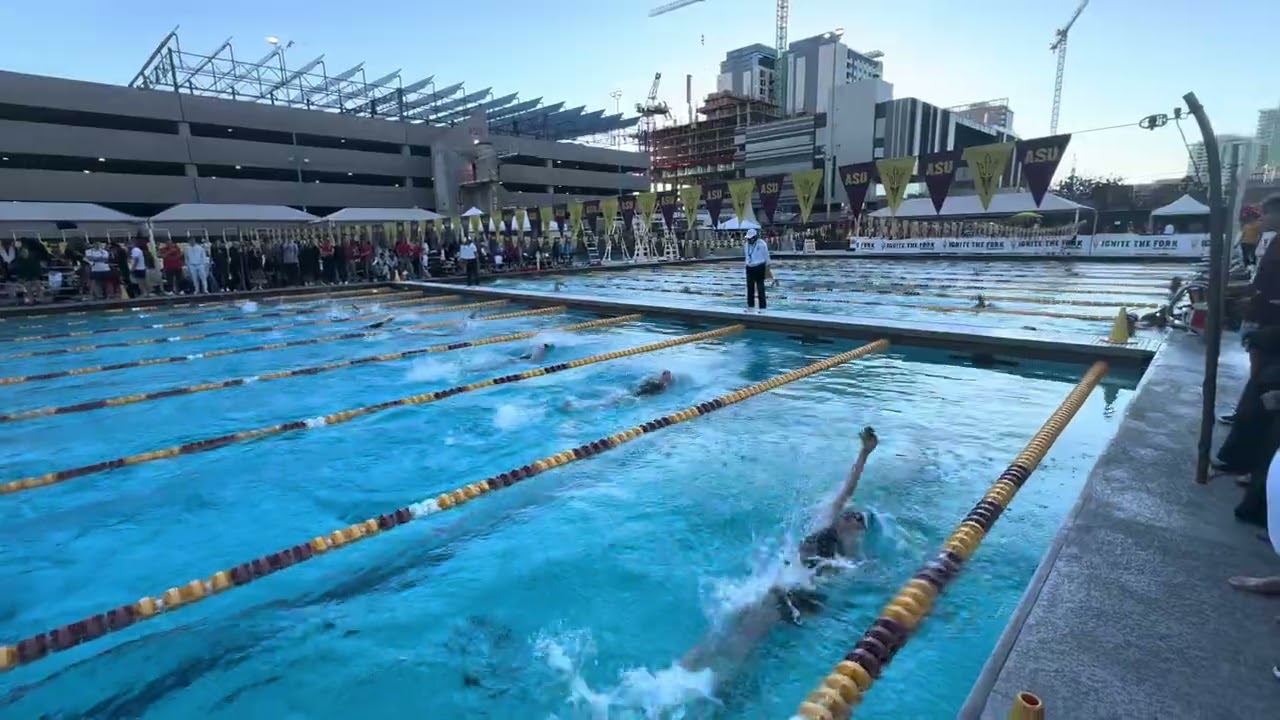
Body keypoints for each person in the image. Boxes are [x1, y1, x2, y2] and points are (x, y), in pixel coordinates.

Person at [679, 427, 878, 681]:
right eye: (851, 513)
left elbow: (846, 585)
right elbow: (847, 492)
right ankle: (676, 677)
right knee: (725, 627)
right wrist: (864, 454)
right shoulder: (824, 526)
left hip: (796, 600)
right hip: (781, 592)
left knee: (745, 638)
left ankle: (715, 690)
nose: (853, 515)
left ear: (861, 530)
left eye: (860, 518)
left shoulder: (851, 557)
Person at [744, 228, 770, 313]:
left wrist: (767, 270)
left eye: (750, 238)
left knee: (760, 288)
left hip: (759, 266)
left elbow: (766, 257)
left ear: (755, 237)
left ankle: (762, 307)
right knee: (749, 288)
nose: (749, 240)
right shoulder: (746, 245)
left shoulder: (762, 244)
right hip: (749, 267)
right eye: (748, 238)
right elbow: (747, 256)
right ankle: (750, 306)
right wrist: (747, 264)